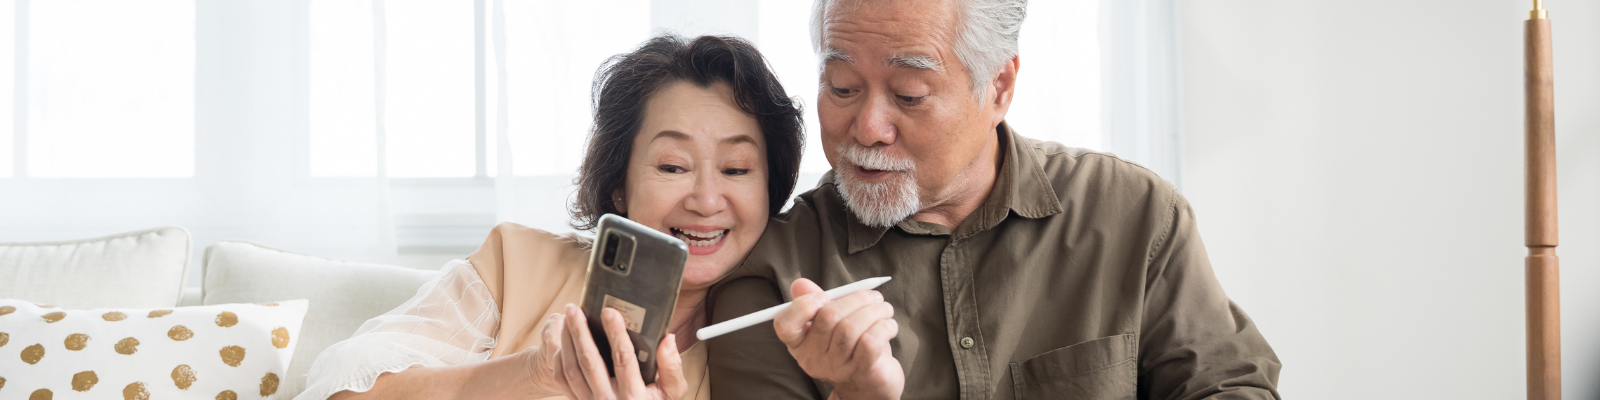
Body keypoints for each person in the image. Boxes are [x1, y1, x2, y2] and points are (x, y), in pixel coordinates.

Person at [704, 0, 1283, 399]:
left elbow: (1229, 386)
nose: (867, 127)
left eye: (908, 94)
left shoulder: (1135, 214)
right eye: (842, 88)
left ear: (999, 88)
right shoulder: (770, 278)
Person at [297, 33, 806, 400]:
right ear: (618, 186)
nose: (706, 198)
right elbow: (346, 387)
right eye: (672, 166)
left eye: (737, 168)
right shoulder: (514, 263)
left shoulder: (762, 345)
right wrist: (538, 374)